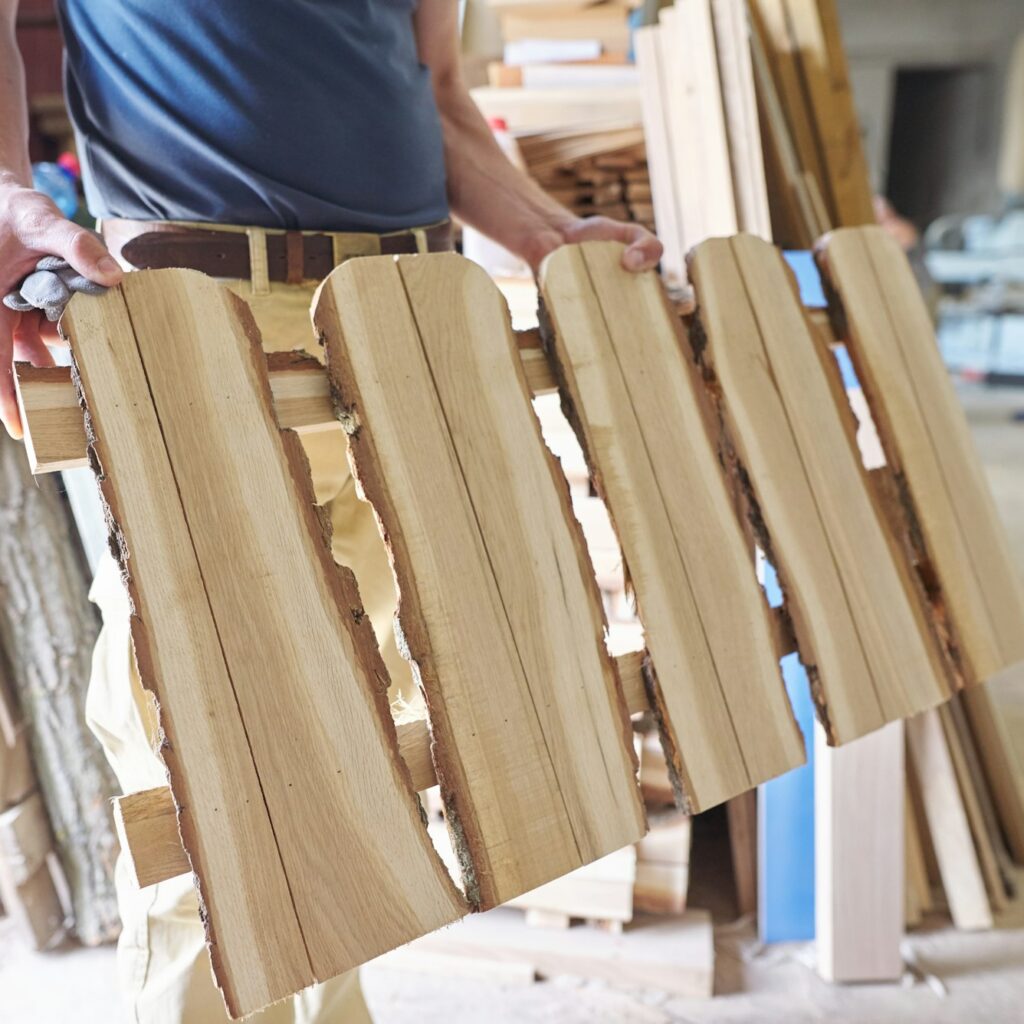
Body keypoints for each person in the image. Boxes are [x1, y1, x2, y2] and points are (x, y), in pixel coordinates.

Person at [0, 2, 661, 1022]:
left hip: (403, 315)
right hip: (196, 306)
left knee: (365, 737)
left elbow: (433, 89)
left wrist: (549, 232)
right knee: (214, 764)